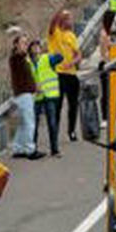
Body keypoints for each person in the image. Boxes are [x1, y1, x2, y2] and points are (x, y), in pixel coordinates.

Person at [47, 10, 82, 143]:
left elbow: (78, 54)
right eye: (68, 19)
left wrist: (73, 62)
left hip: (71, 73)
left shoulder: (71, 36)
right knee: (58, 105)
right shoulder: (55, 33)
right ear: (62, 20)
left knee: (73, 104)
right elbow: (52, 22)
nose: (70, 21)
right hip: (59, 73)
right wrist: (61, 9)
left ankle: (71, 131)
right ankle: (54, 133)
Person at [8, 32, 41, 159]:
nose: (25, 46)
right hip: (23, 94)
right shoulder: (16, 57)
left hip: (25, 93)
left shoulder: (23, 58)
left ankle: (18, 148)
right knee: (29, 123)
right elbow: (18, 56)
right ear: (16, 45)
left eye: (26, 43)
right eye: (22, 43)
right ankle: (30, 150)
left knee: (22, 123)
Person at [28, 40, 62, 157]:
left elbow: (60, 57)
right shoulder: (28, 62)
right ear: (30, 49)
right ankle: (33, 149)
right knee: (34, 125)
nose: (36, 48)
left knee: (52, 123)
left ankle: (55, 149)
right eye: (34, 46)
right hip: (36, 97)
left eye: (38, 46)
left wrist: (53, 47)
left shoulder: (47, 58)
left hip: (49, 96)